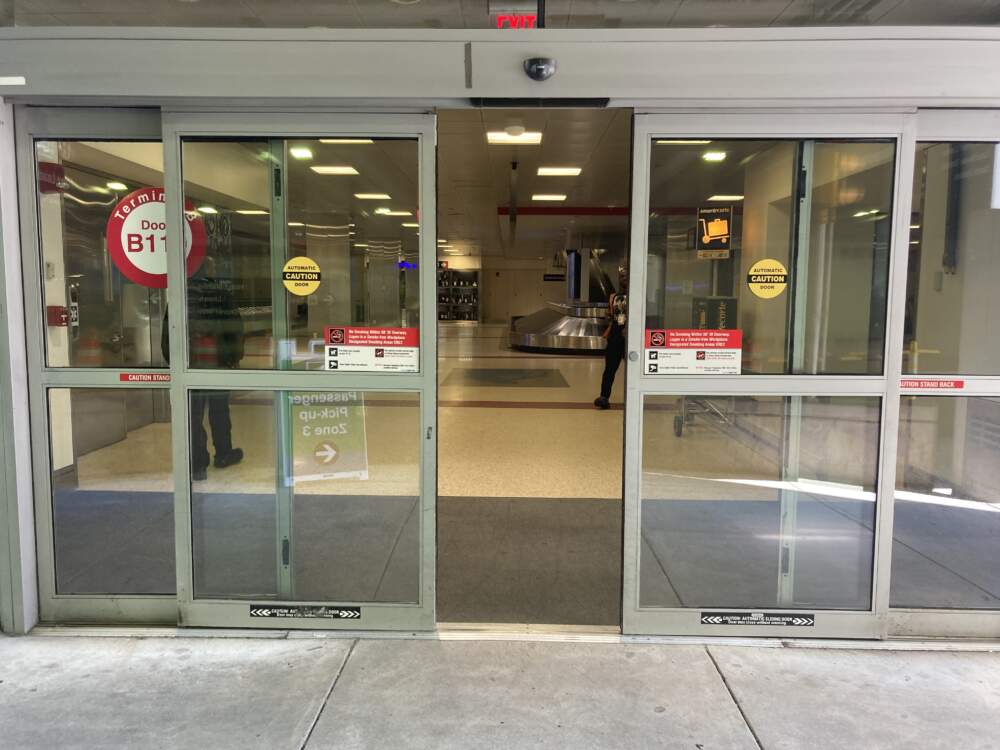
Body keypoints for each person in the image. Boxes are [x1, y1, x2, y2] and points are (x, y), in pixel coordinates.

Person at [162, 256, 245, 481]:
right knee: (219, 411)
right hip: (217, 364)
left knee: (193, 414)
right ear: (210, 269)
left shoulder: (180, 295)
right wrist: (234, 357)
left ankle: (198, 464)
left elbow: (169, 332)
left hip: (190, 365)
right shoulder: (222, 294)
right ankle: (224, 453)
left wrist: (173, 361)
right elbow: (235, 328)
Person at [594, 262, 628, 410]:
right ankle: (604, 396)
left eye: (626, 276)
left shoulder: (638, 295)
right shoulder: (616, 297)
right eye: (621, 276)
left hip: (630, 334)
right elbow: (617, 316)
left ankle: (635, 395)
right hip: (617, 334)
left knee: (634, 368)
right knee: (610, 368)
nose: (623, 279)